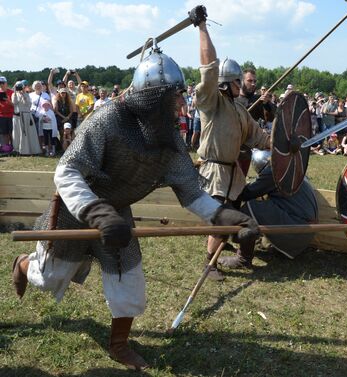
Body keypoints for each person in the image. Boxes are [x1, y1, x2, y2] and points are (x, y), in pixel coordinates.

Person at [11, 30, 260, 370]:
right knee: (49, 277)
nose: (179, 104)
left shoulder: (168, 139)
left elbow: (191, 192)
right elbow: (66, 172)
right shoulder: (108, 119)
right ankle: (24, 264)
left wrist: (226, 218)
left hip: (116, 215)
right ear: (152, 97)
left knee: (129, 280)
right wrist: (96, 211)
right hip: (76, 210)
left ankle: (119, 344)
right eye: (173, 97)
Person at [192, 7, 270, 280]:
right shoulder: (211, 103)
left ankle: (241, 257)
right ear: (228, 82)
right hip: (213, 172)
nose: (243, 85)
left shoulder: (239, 110)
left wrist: (287, 143)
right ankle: (209, 265)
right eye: (238, 81)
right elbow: (208, 69)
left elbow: (260, 138)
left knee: (240, 219)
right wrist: (202, 27)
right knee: (220, 221)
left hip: (234, 174)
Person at [218, 149, 318, 268]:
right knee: (264, 205)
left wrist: (233, 185)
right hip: (306, 230)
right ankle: (262, 242)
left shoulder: (273, 173)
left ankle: (243, 259)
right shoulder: (290, 167)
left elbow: (246, 194)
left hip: (297, 230)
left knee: (251, 207)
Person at [11, 81, 42, 155]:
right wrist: (15, 91)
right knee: (18, 133)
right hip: (17, 117)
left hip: (26, 116)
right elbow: (14, 102)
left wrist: (24, 94)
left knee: (27, 134)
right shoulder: (13, 94)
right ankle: (18, 149)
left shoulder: (27, 94)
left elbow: (28, 104)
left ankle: (28, 150)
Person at [0, 76, 15, 153]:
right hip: (2, 115)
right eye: (0, 83)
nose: (1, 84)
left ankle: (14, 147)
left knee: (12, 132)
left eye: (3, 83)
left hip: (11, 115)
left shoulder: (11, 92)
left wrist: (9, 101)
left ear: (6, 83)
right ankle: (6, 147)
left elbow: (15, 105)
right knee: (4, 133)